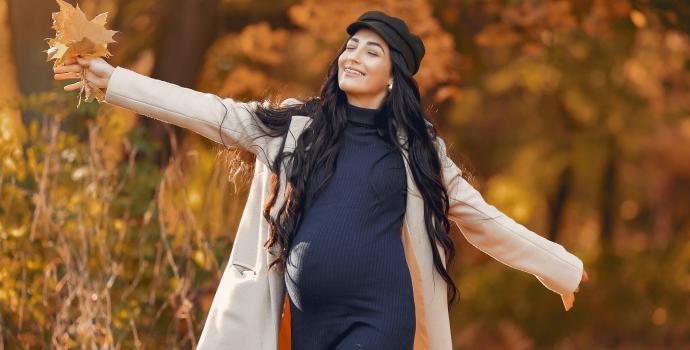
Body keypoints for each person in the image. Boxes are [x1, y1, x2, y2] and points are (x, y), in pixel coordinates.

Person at [54, 10, 588, 350]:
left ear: (394, 75)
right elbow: (210, 113)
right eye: (350, 45)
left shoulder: (419, 152)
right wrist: (113, 82)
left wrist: (560, 268)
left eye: (371, 50)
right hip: (309, 319)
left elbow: (480, 218)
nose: (353, 55)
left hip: (381, 317)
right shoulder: (292, 127)